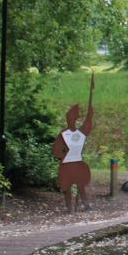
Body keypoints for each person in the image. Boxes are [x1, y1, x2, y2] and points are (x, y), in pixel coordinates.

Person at [51, 82, 93, 213]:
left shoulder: (79, 133)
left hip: (77, 163)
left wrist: (90, 114)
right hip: (67, 164)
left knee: (81, 185)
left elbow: (88, 123)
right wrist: (63, 153)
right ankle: (70, 207)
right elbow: (56, 150)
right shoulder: (64, 134)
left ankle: (85, 204)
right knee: (67, 187)